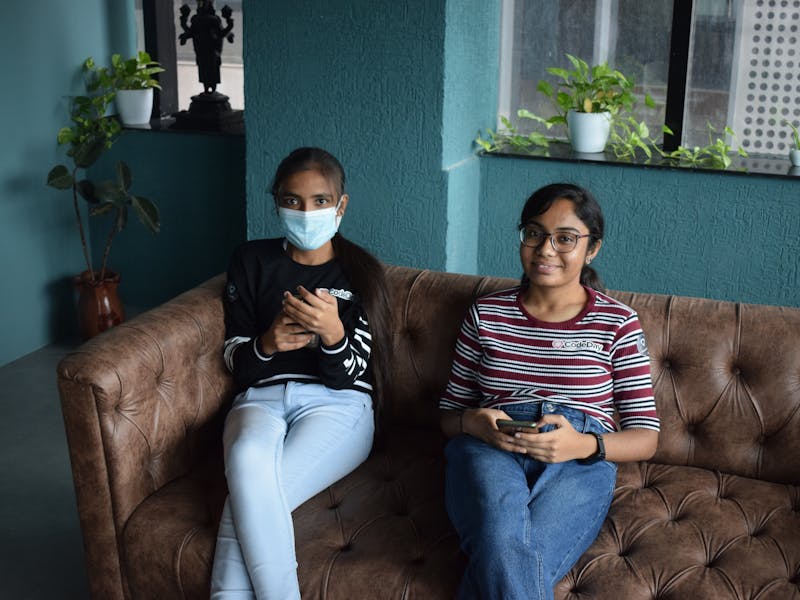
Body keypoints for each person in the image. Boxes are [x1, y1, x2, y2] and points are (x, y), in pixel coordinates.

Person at [439, 183, 660, 600]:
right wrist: (473, 423)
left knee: (517, 556)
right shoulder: (485, 314)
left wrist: (584, 445)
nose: (545, 249)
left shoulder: (618, 323)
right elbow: (449, 415)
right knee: (502, 541)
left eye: (565, 238)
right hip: (491, 445)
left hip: (578, 457)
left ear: (592, 248)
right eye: (535, 233)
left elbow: (646, 437)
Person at [210, 147, 391, 599]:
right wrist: (268, 343)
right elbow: (235, 361)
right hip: (260, 399)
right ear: (276, 202)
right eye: (292, 201)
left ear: (341, 205)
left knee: (249, 498)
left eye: (320, 201)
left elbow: (351, 375)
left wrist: (333, 334)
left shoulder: (361, 274)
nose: (306, 213)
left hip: (339, 405)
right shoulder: (250, 260)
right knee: (247, 459)